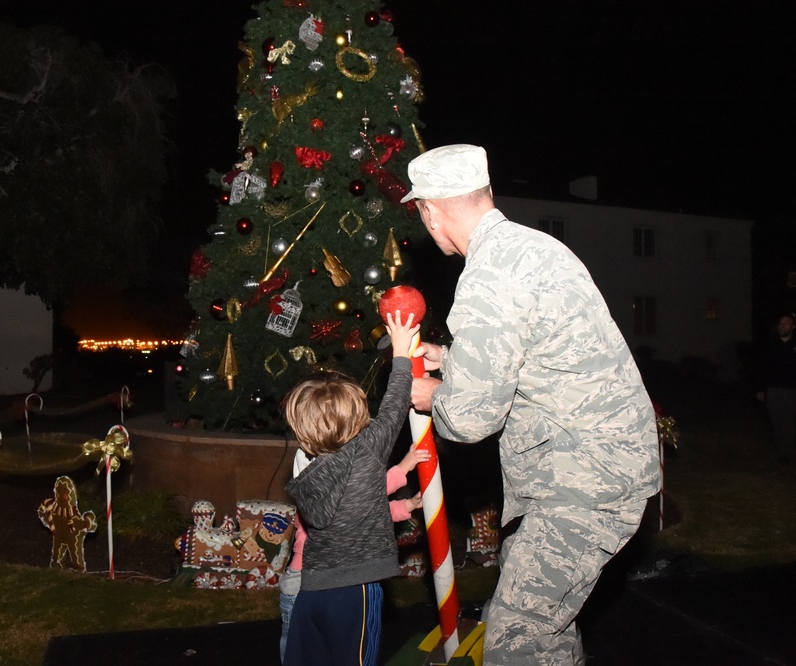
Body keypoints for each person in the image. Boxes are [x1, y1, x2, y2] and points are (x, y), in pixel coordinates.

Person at [403, 144, 661, 664]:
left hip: (585, 482)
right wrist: (451, 361)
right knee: (546, 627)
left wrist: (431, 395)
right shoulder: (533, 248)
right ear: (487, 193)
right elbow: (532, 357)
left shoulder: (485, 279)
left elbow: (472, 419)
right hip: (599, 468)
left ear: (429, 211)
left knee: (516, 637)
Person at [282, 311, 419, 665]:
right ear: (358, 416)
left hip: (310, 590)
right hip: (354, 592)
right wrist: (400, 353)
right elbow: (394, 406)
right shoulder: (367, 450)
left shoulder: (304, 468)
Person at [278, 441, 428, 663]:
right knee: (299, 651)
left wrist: (405, 506)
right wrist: (404, 467)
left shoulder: (336, 486)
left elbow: (362, 510)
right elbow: (360, 495)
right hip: (306, 581)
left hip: (317, 581)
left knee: (310, 652)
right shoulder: (313, 477)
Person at [755, 313, 796, 464]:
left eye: (786, 324)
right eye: (781, 323)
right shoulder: (770, 344)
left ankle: (784, 454)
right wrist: (760, 389)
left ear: (792, 327)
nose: (783, 326)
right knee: (776, 422)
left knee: (788, 422)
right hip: (773, 390)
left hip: (792, 390)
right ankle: (780, 447)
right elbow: (762, 368)